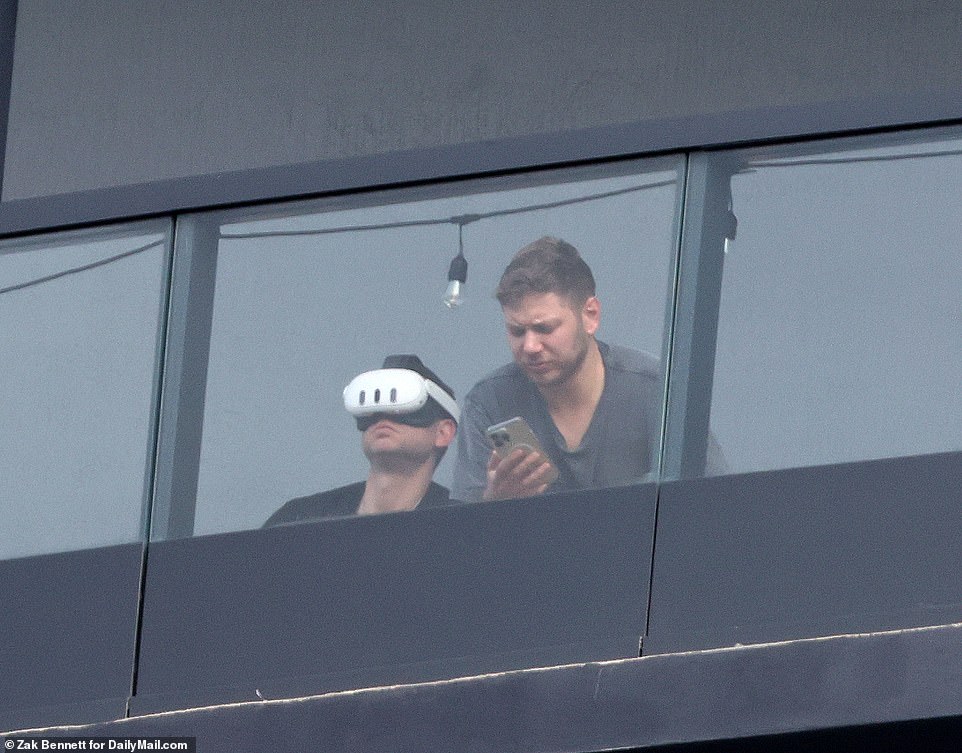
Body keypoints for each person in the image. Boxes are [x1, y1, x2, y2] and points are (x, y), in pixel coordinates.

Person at [451, 236, 724, 503]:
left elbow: (708, 507)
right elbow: (466, 541)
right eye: (516, 331)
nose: (530, 345)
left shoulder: (657, 392)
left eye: (544, 328)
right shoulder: (489, 404)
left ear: (591, 315)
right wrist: (496, 503)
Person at [264, 355, 459, 526]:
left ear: (443, 433)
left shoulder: (457, 527)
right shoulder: (297, 521)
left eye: (404, 406)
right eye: (371, 407)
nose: (383, 417)